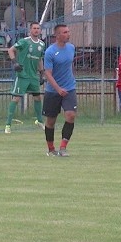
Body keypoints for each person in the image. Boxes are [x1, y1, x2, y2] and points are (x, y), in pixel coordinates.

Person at [42, 24, 78, 156]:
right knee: (51, 121)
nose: (68, 34)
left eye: (68, 31)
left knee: (71, 115)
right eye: (65, 32)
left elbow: (68, 66)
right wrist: (57, 89)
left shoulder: (71, 48)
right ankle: (51, 149)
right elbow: (48, 73)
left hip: (69, 88)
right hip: (53, 91)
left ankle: (63, 148)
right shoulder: (50, 52)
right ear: (57, 35)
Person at [4, 21, 46, 133]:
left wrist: (42, 73)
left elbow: (39, 59)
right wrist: (15, 62)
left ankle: (40, 121)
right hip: (23, 75)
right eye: (34, 28)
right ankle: (8, 125)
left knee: (38, 98)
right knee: (16, 98)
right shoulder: (24, 41)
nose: (36, 30)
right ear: (30, 30)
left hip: (33, 76)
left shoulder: (42, 44)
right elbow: (10, 50)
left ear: (40, 30)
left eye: (38, 28)